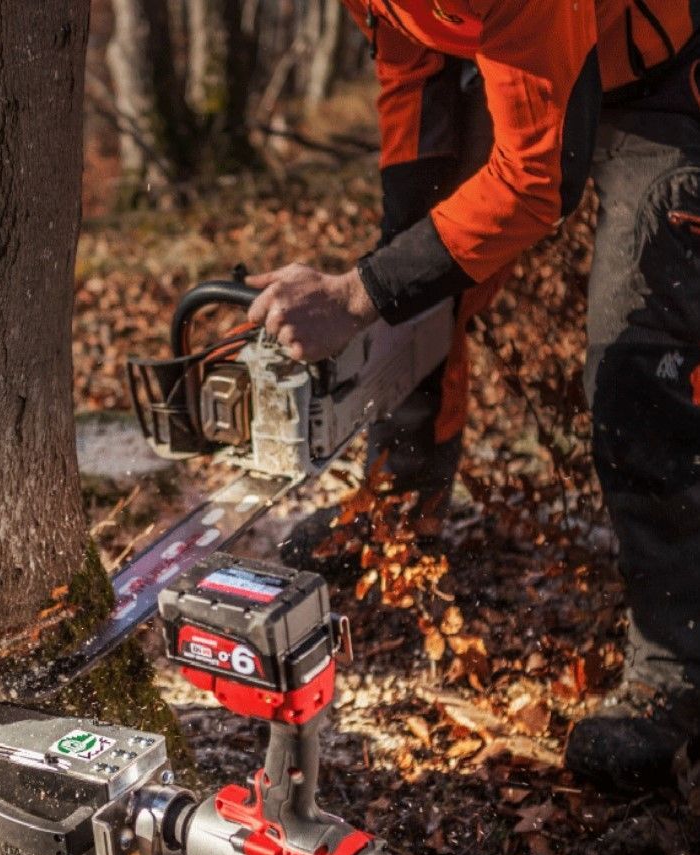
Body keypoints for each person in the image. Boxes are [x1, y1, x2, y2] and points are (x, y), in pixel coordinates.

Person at [246, 0, 700, 792]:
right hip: (520, 63)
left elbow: (535, 182)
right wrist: (396, 264)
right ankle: (401, 505)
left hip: (665, 71)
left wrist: (357, 293)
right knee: (418, 279)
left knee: (637, 364)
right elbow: (409, 73)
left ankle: (676, 670)